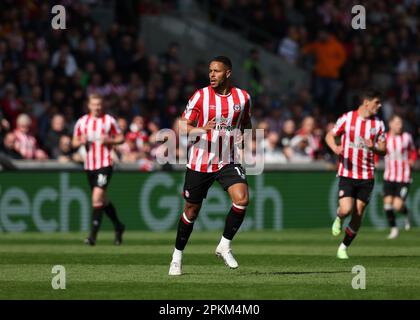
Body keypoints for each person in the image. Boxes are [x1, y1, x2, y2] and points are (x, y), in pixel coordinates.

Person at [169, 56, 252, 276]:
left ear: (228, 73)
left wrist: (244, 137)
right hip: (200, 160)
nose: (211, 75)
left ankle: (224, 244)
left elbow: (245, 123)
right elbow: (182, 127)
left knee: (242, 198)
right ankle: (177, 256)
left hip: (228, 159)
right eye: (210, 71)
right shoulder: (200, 96)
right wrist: (202, 129)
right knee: (191, 211)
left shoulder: (243, 98)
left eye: (216, 71)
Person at [325, 89, 386, 259]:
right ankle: (339, 217)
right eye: (377, 102)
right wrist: (335, 147)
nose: (379, 106)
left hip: (367, 175)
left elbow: (384, 149)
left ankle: (343, 247)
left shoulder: (378, 124)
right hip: (347, 172)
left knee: (358, 213)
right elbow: (330, 135)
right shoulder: (347, 118)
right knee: (346, 209)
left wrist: (373, 147)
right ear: (366, 102)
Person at [72, 93, 125, 246]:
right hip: (89, 165)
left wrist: (110, 140)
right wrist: (80, 141)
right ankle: (118, 226)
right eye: (94, 104)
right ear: (89, 105)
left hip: (105, 163)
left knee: (96, 197)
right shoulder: (82, 122)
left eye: (99, 104)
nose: (97, 107)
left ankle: (92, 237)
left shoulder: (109, 121)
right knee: (102, 200)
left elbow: (121, 138)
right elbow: (74, 142)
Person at [383, 115, 417, 239]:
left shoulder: (407, 137)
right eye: (397, 123)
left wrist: (413, 160)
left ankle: (406, 214)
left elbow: (413, 151)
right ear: (390, 124)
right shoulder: (385, 138)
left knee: (397, 206)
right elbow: (378, 151)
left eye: (401, 123)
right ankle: (394, 229)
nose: (400, 126)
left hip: (404, 177)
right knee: (387, 204)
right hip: (389, 176)